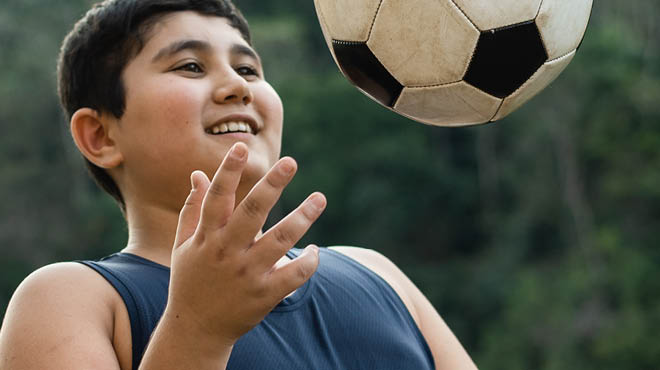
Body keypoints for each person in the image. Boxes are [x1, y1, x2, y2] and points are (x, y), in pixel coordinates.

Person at [0, 1, 478, 369]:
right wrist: (200, 331)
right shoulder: (71, 300)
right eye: (190, 66)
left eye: (248, 69)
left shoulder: (378, 275)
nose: (238, 86)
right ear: (100, 135)